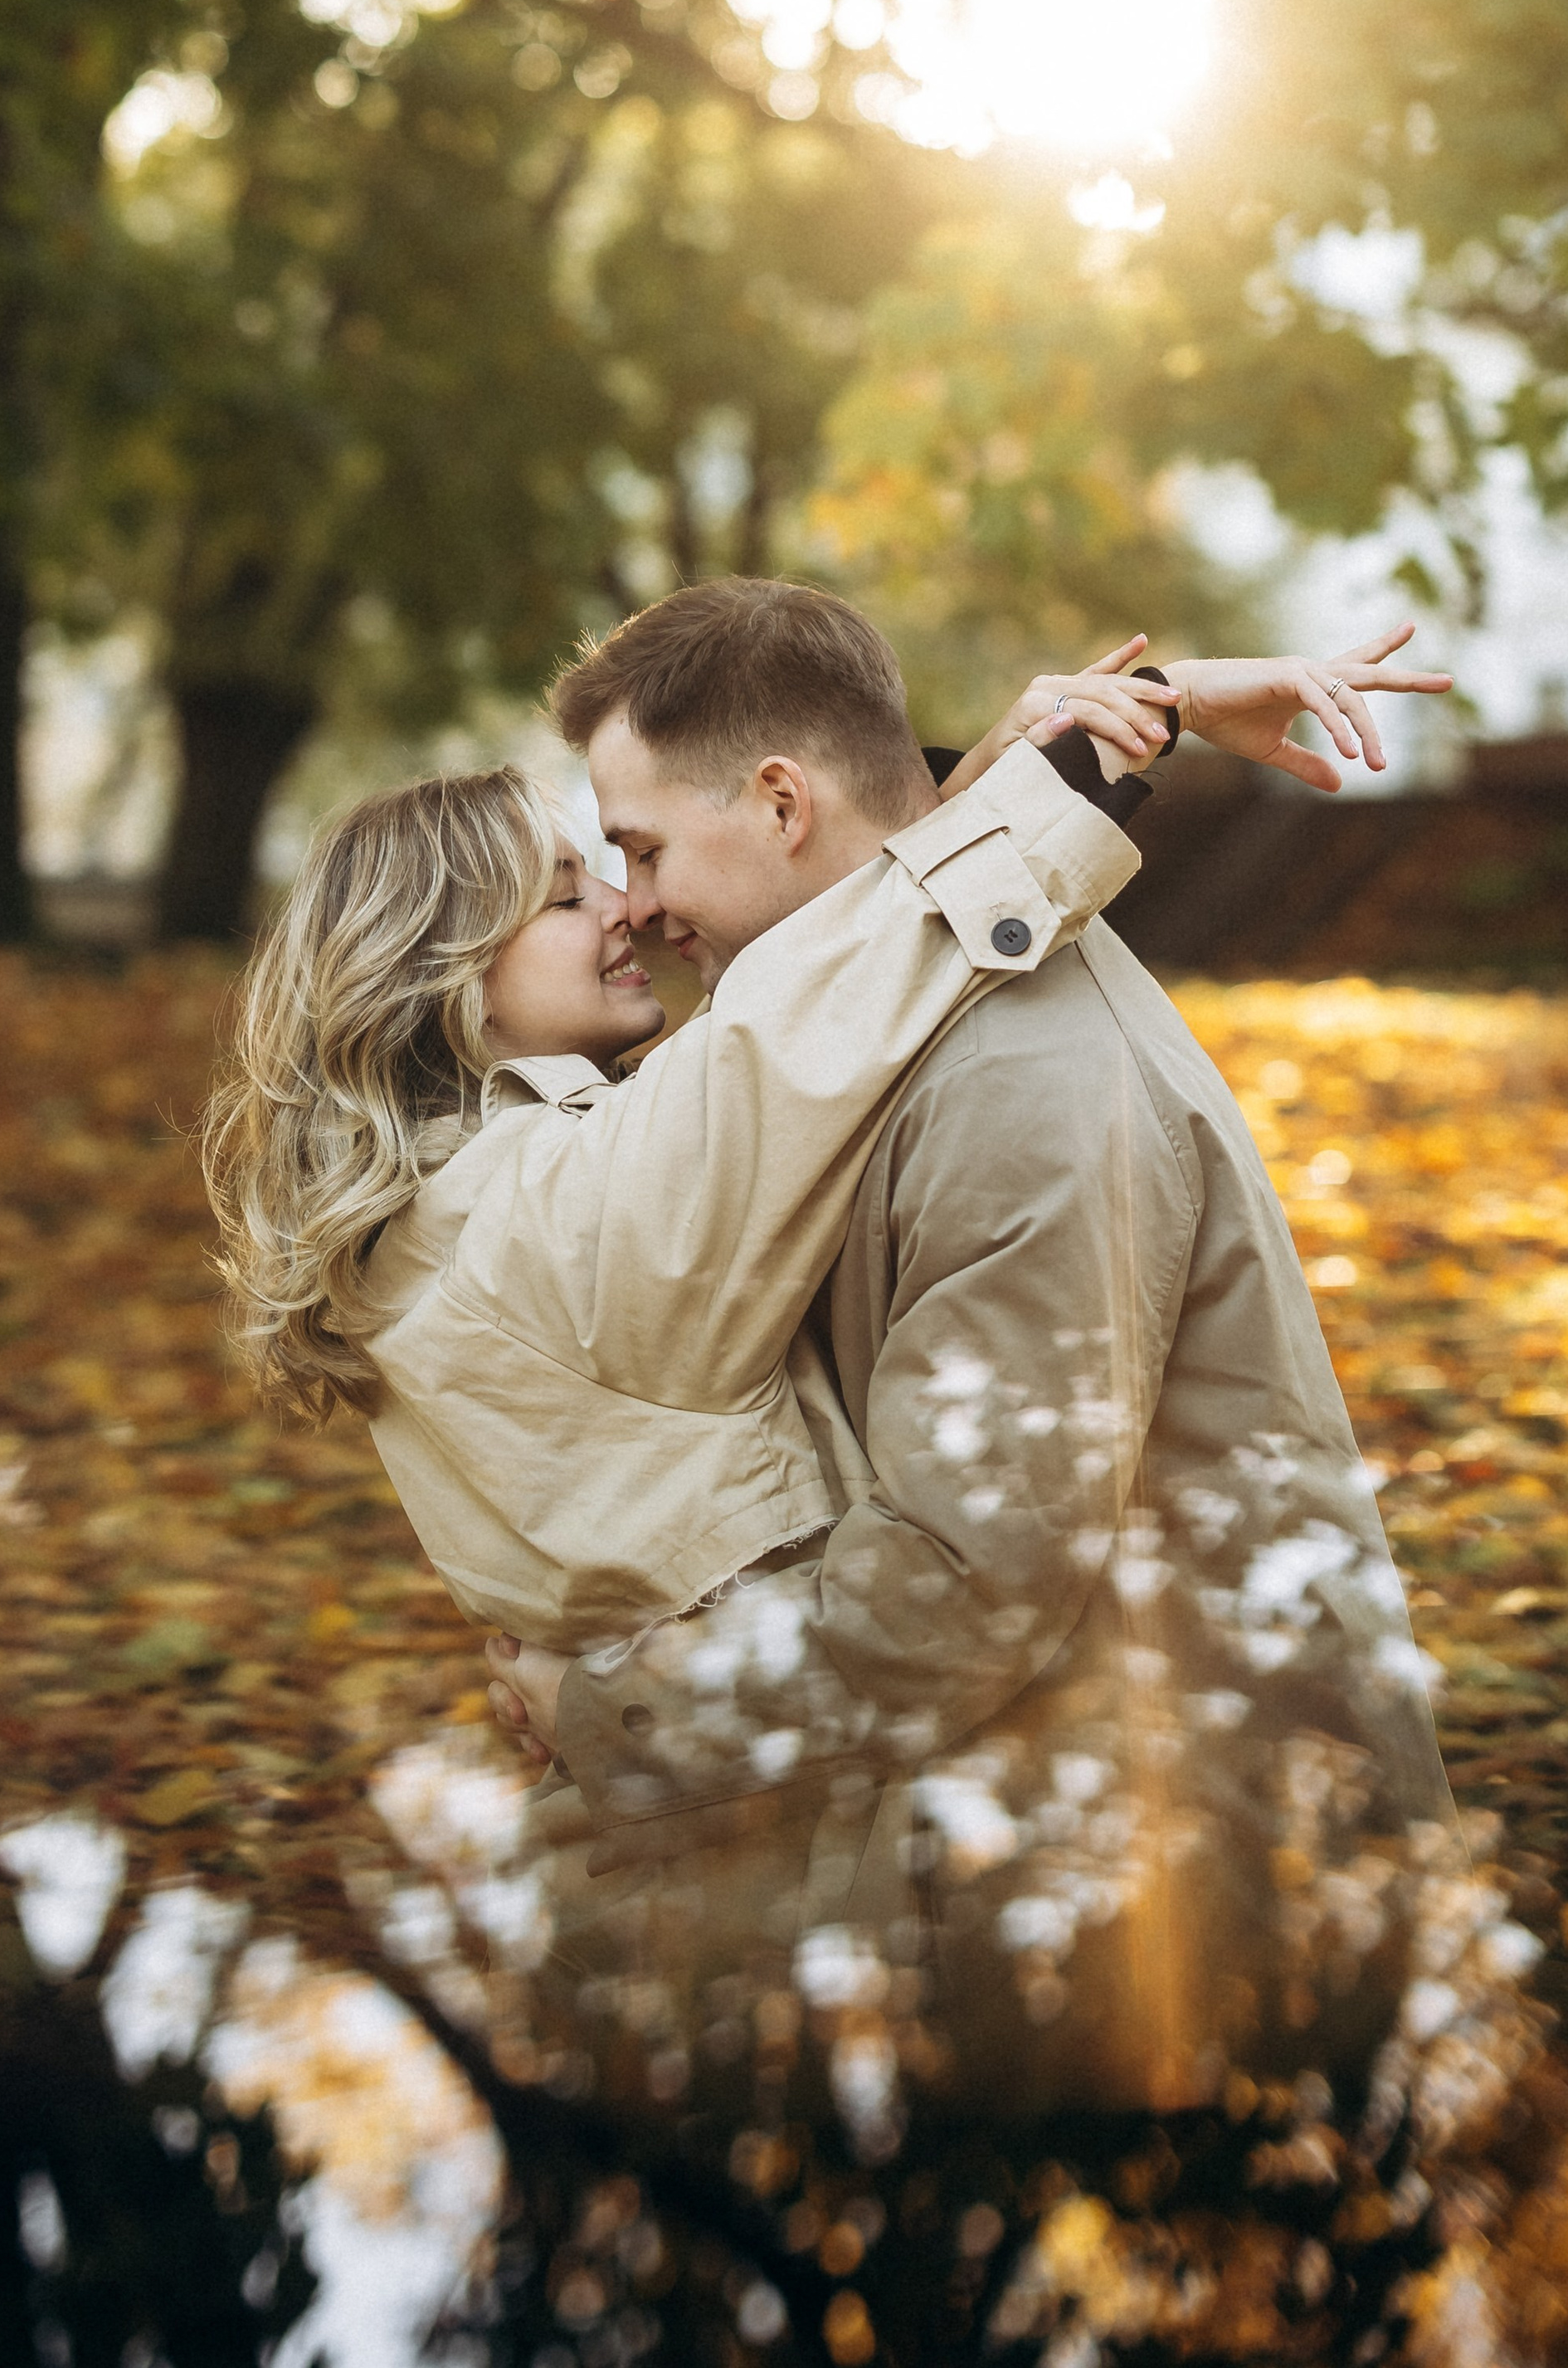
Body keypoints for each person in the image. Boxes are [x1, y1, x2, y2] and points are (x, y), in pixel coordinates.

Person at [483, 580, 1461, 2114]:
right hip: (1044, 1821)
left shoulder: (1016, 1082)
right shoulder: (870, 1029)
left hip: (1196, 1906)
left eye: (644, 847)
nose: (633, 900)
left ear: (785, 803)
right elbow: (915, 875)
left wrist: (614, 1711)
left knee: (571, 1959)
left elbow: (954, 1588)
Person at [203, 641, 1169, 1657]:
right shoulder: (556, 1208)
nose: (625, 906)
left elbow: (814, 980)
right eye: (566, 896)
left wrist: (963, 790)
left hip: (706, 1735)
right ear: (445, 975)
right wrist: (1077, 766)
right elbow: (808, 1022)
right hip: (772, 1730)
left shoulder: (439, 1212)